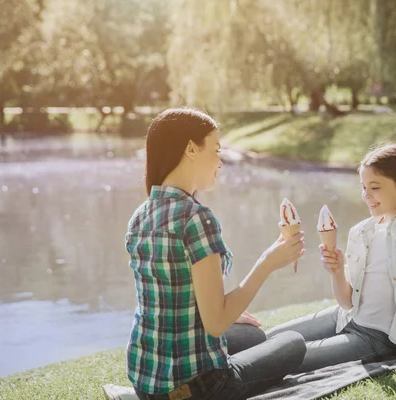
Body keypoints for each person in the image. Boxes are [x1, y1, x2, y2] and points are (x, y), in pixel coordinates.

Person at [104, 108, 307, 400]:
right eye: (216, 149)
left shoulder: (141, 214)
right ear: (190, 148)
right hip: (199, 388)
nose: (220, 162)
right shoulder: (196, 218)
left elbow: (171, 296)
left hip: (145, 381)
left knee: (254, 336)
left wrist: (227, 311)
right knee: (292, 342)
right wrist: (267, 263)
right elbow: (216, 323)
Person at [266, 143, 396, 372]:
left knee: (278, 358)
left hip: (376, 338)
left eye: (375, 187)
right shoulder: (361, 230)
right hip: (343, 317)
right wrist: (337, 271)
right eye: (363, 187)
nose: (366, 196)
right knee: (268, 339)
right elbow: (347, 302)